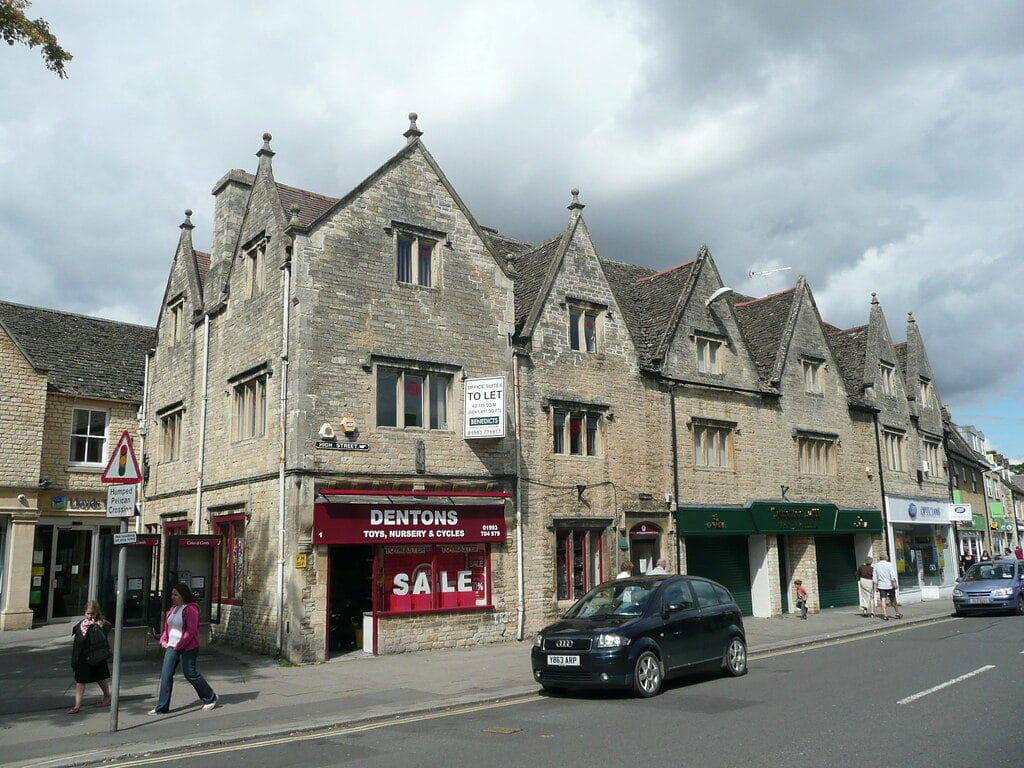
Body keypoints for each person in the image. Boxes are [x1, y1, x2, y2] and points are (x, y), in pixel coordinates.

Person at [149, 583, 218, 714]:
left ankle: (210, 697)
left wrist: (179, 645)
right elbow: (168, 628)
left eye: (176, 594)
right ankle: (162, 707)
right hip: (172, 646)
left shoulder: (190, 609)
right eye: (172, 594)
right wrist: (164, 639)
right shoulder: (173, 609)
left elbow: (191, 631)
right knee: (166, 675)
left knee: (190, 674)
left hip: (188, 647)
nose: (173, 597)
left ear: (183, 595)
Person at [68, 600, 112, 714]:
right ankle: (77, 706)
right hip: (82, 656)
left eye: (92, 613)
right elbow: (77, 643)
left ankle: (107, 696)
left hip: (96, 656)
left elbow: (104, 636)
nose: (89, 616)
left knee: (100, 677)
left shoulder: (101, 624)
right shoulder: (80, 625)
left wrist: (95, 626)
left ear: (97, 613)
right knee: (80, 681)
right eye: (87, 613)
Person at [873, 553, 902, 621]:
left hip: (881, 585)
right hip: (890, 585)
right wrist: (895, 584)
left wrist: (876, 586)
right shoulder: (889, 564)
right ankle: (897, 613)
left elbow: (874, 577)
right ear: (886, 558)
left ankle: (885, 615)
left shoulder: (876, 565)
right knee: (893, 599)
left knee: (883, 600)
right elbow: (892, 575)